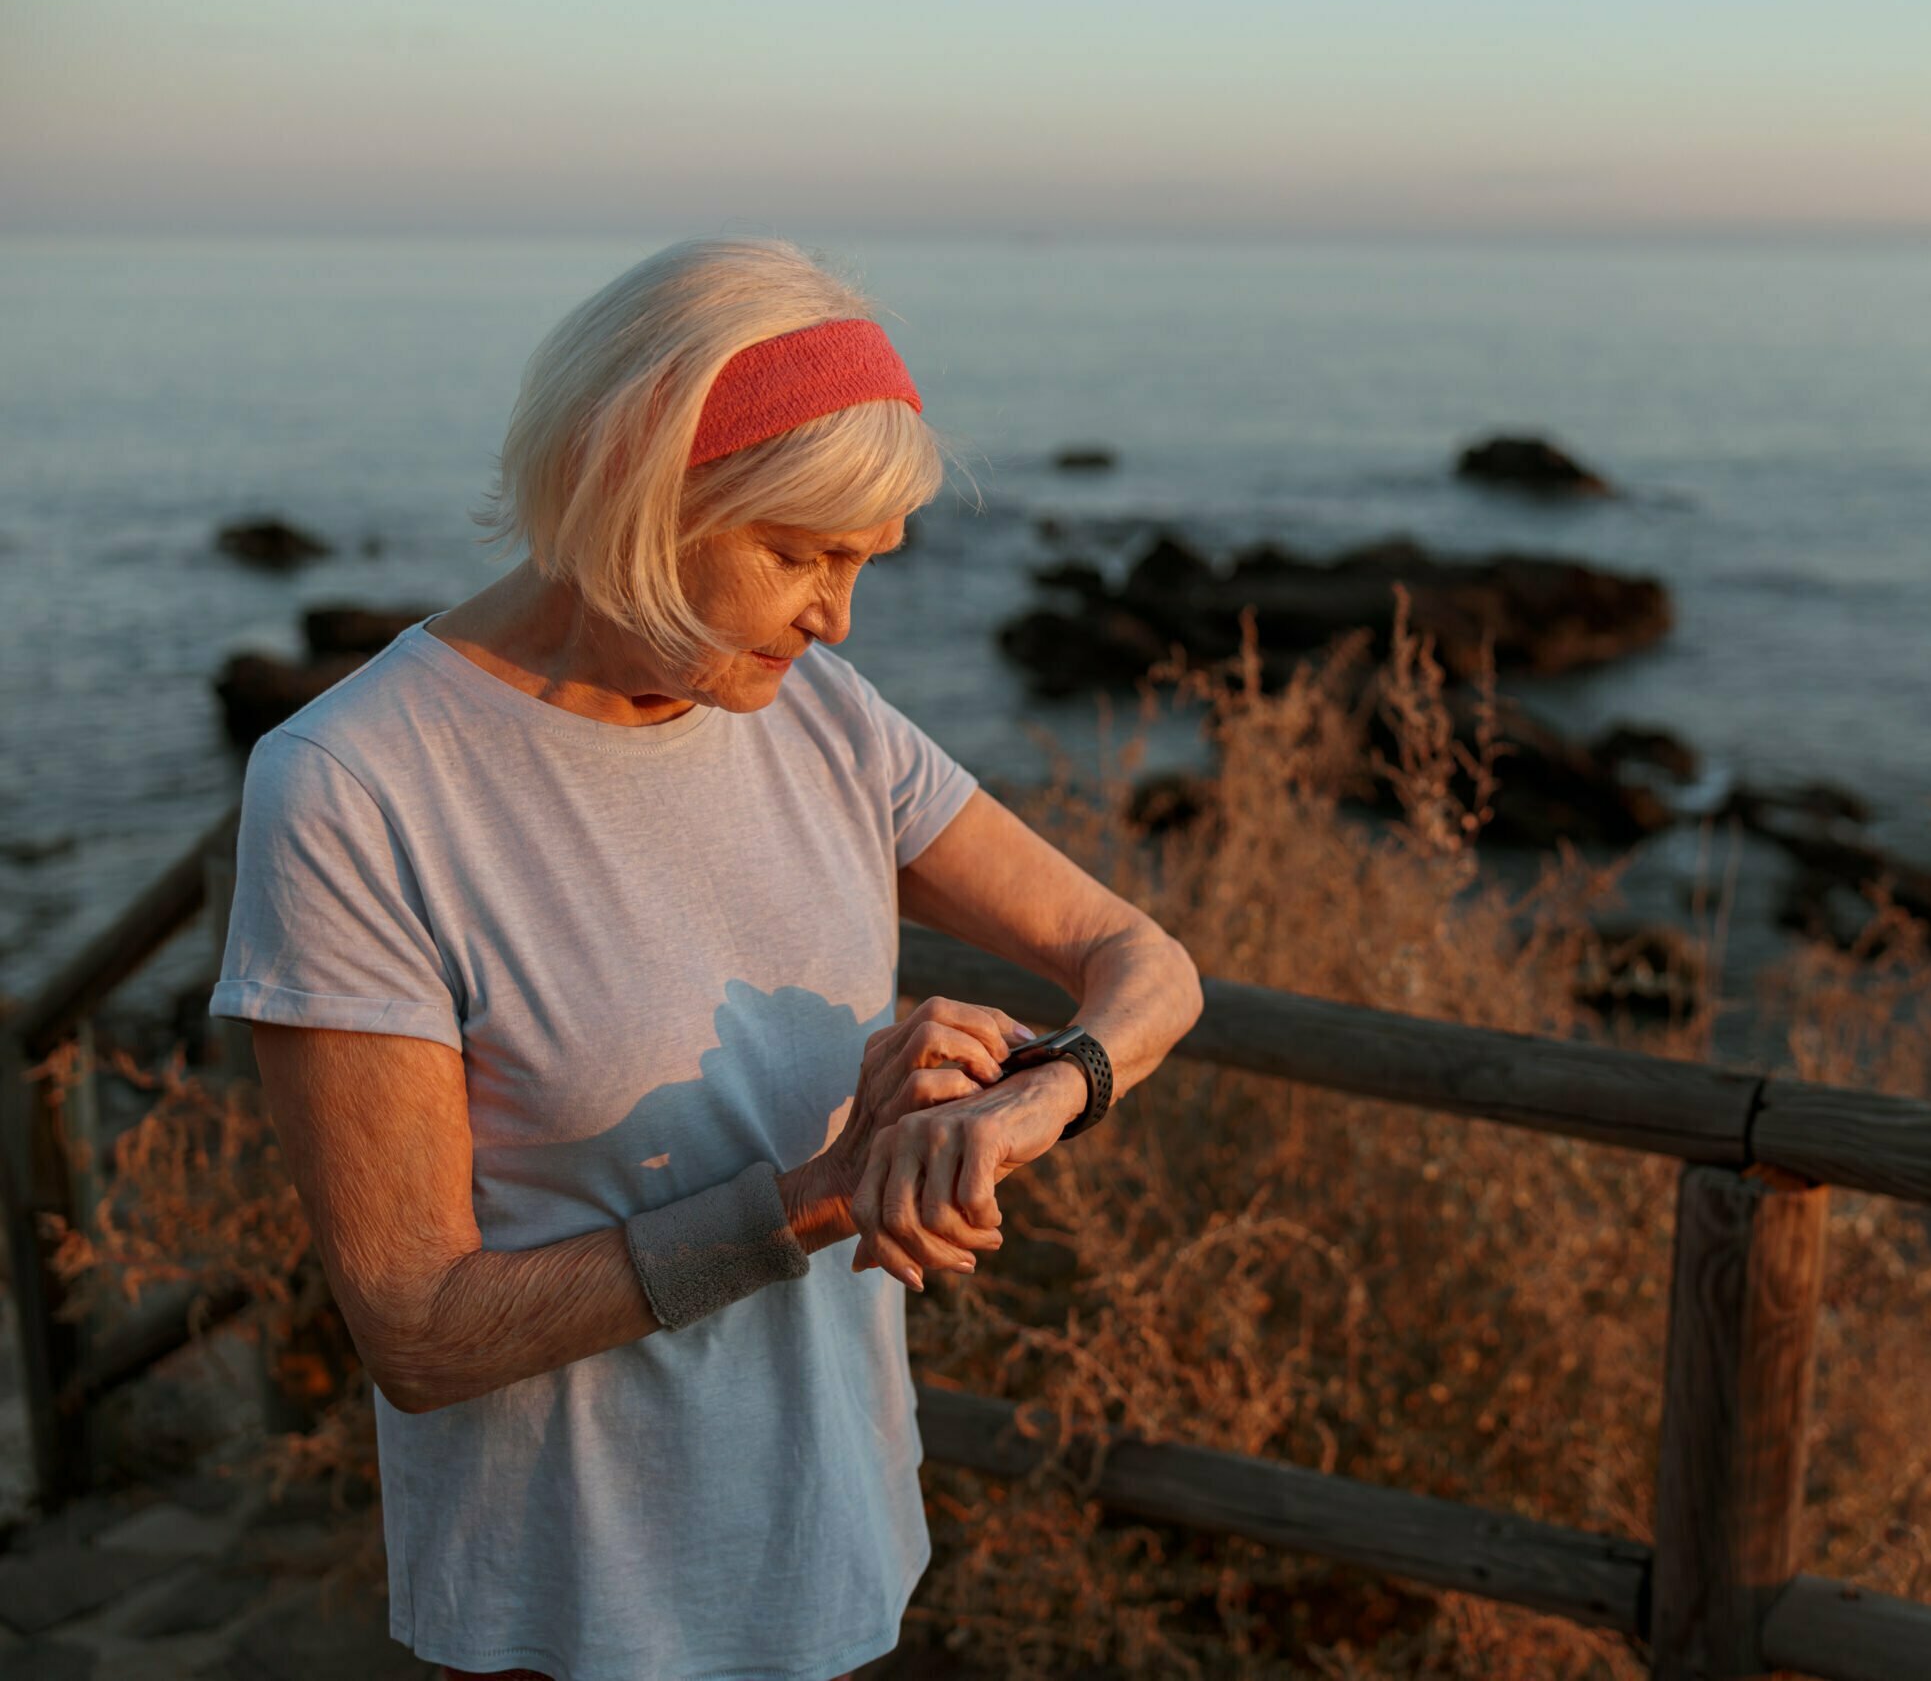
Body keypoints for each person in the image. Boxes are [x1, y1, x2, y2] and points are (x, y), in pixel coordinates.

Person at [209, 235, 1204, 1681]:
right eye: (798, 554)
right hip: (569, 1616)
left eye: (863, 563)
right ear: (634, 483)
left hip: (847, 1554)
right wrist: (815, 1196)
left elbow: (1142, 960)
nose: (838, 614)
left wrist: (1031, 1101)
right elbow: (418, 1334)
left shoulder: (825, 717)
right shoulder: (355, 788)